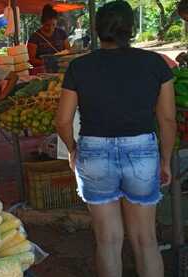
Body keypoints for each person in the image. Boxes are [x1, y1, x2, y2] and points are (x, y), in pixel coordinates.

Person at [55, 1, 175, 277]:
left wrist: (73, 150)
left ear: (98, 30)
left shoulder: (79, 66)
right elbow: (167, 120)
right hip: (142, 151)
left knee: (108, 241)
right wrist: (165, 161)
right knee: (146, 241)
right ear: (130, 29)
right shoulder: (155, 64)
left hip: (93, 151)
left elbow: (62, 120)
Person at [27, 4, 71, 71]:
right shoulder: (34, 37)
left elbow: (68, 52)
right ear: (42, 23)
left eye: (53, 25)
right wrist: (48, 63)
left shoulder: (62, 33)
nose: (51, 28)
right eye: (47, 25)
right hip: (43, 71)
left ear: (56, 21)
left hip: (61, 69)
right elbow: (31, 59)